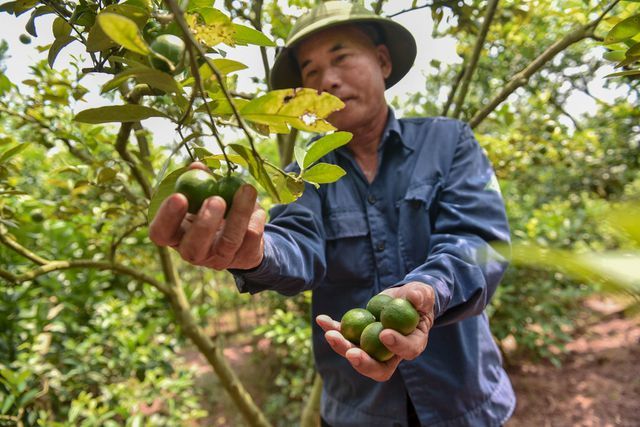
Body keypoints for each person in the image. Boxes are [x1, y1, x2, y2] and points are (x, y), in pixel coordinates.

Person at [149, 1, 516, 426]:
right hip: (357, 411)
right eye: (311, 72)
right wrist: (253, 251)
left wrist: (430, 290)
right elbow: (295, 243)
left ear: (381, 61)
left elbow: (477, 241)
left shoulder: (448, 142)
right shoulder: (302, 177)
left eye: (341, 58)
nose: (329, 81)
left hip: (465, 404)